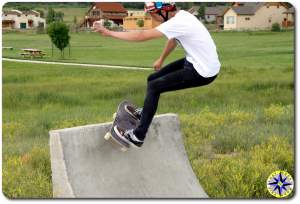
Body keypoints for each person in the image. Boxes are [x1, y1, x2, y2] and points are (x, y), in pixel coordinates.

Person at [93, 2, 221, 148]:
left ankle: (138, 136)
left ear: (163, 11)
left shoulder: (179, 21)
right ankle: (144, 113)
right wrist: (161, 59)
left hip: (202, 71)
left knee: (154, 87)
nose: (151, 17)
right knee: (152, 79)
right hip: (196, 61)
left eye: (152, 13)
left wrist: (108, 33)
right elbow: (173, 39)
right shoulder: (181, 17)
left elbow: (141, 35)